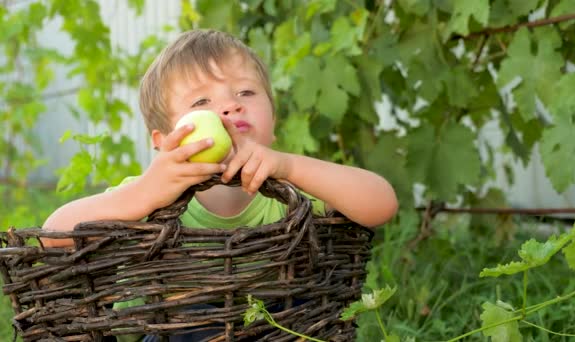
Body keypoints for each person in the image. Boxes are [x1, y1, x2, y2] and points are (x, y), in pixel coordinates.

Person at [42, 29, 398, 341]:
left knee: (301, 315)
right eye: (201, 102)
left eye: (246, 92)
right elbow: (51, 236)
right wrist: (144, 194)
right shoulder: (151, 193)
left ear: (272, 123)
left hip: (279, 325)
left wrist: (290, 165)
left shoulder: (290, 190)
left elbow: (381, 204)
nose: (230, 106)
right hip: (176, 330)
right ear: (163, 139)